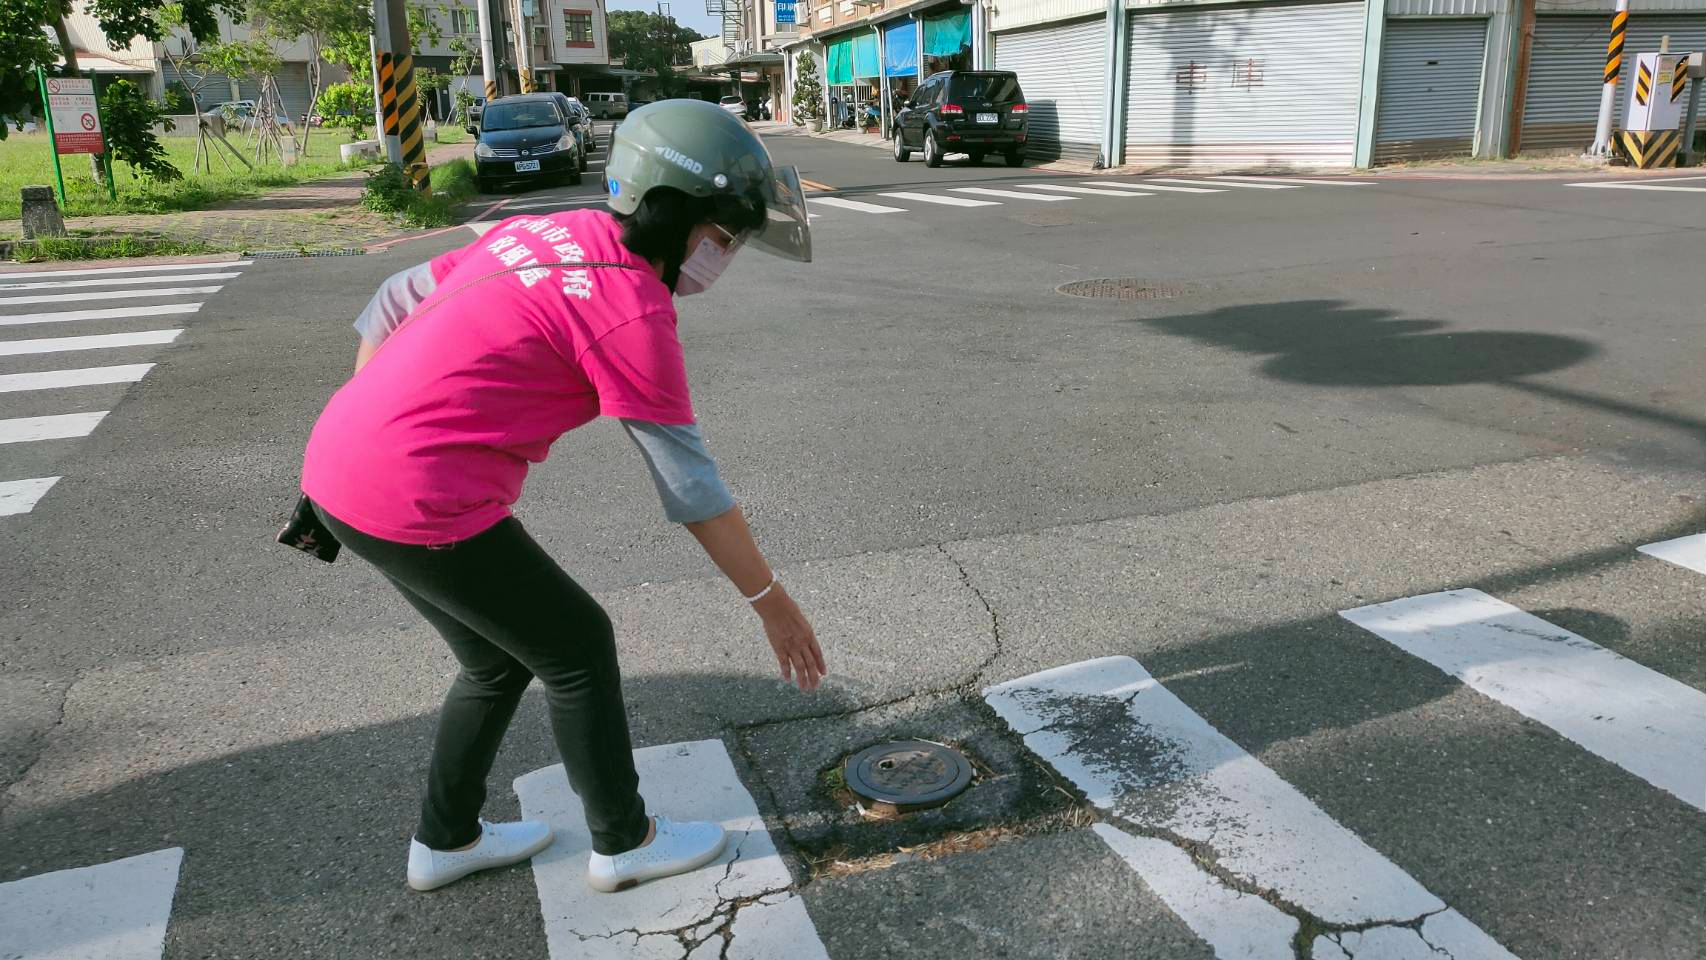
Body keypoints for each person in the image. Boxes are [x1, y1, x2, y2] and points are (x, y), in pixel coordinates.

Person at [298, 99, 825, 894]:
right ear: (671, 210)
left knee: (497, 658)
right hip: (417, 499)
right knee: (577, 647)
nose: (724, 257)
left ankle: (446, 840)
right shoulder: (633, 313)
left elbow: (390, 298)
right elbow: (691, 487)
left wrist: (370, 432)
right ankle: (625, 840)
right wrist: (771, 600)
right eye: (720, 236)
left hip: (337, 472)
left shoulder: (548, 230)